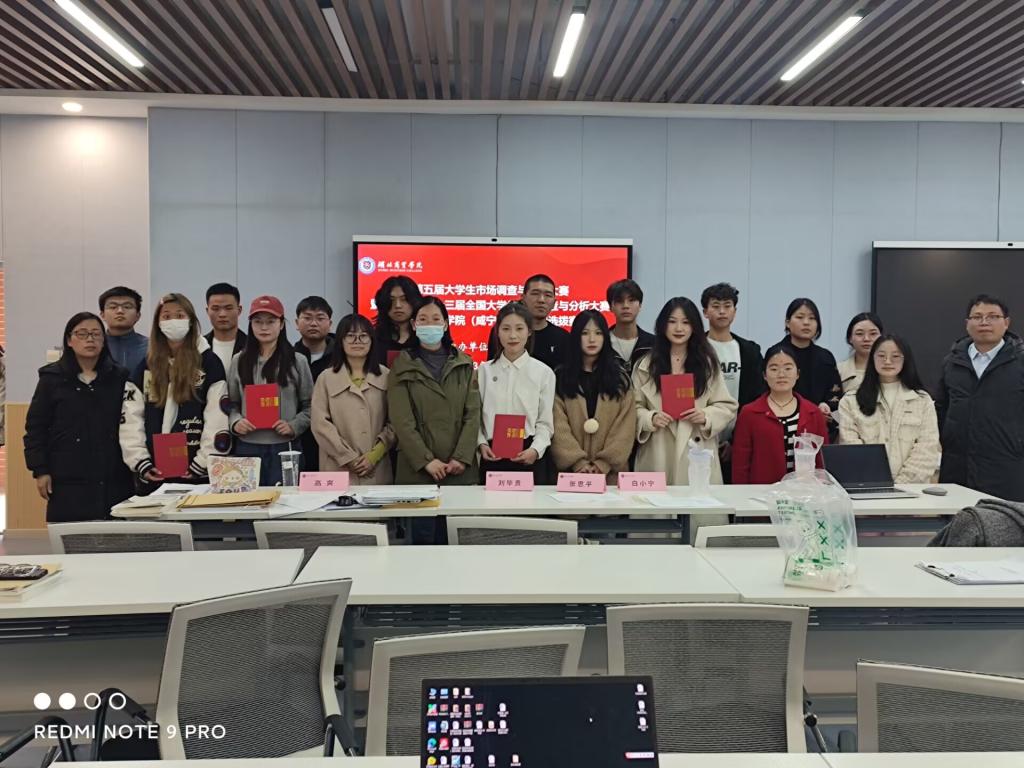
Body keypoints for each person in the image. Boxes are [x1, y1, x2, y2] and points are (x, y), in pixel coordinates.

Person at [24, 313, 134, 521]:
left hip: (113, 473)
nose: (90, 339)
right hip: (67, 474)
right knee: (71, 534)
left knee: (114, 535)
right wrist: (40, 470)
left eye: (96, 334)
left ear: (104, 340)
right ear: (69, 340)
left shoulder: (120, 377)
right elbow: (36, 428)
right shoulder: (51, 378)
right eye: (82, 334)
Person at [120, 293, 231, 486]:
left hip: (196, 473)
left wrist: (202, 462)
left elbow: (217, 417)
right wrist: (141, 461)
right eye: (166, 316)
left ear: (191, 320)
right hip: (154, 471)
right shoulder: (146, 366)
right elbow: (131, 418)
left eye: (180, 316)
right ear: (158, 323)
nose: (173, 321)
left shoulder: (209, 363)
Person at [632, 297, 738, 484]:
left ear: (694, 327)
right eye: (672, 322)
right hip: (658, 448)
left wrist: (705, 416)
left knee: (695, 497)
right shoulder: (645, 365)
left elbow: (726, 405)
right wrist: (650, 418)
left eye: (686, 322)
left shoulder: (707, 365)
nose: (679, 328)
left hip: (697, 449)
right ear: (663, 325)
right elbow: (632, 408)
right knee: (657, 500)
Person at [937, 294, 1024, 500]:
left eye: (993, 316)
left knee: (1003, 520)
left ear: (1006, 322)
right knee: (957, 519)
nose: (984, 322)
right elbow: (941, 408)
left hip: (1007, 468)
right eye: (977, 317)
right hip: (957, 469)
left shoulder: (1020, 362)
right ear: (967, 324)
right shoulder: (952, 362)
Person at [388, 296, 481, 487]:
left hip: (458, 468)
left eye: (436, 319)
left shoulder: (464, 363)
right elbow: (402, 421)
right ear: (414, 325)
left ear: (445, 324)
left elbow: (473, 414)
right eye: (423, 319)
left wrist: (461, 457)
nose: (429, 324)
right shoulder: (401, 365)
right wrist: (426, 460)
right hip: (416, 469)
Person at [227, 296, 314, 486]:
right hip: (247, 446)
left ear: (281, 324)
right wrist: (236, 422)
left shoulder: (297, 361)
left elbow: (311, 406)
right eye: (258, 322)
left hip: (285, 446)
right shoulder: (239, 360)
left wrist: (294, 425)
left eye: (271, 321)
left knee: (286, 500)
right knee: (249, 501)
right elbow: (231, 404)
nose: (264, 327)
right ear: (251, 325)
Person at [839, 334, 939, 483]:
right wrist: (877, 483)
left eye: (895, 356)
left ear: (906, 360)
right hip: (867, 486)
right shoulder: (851, 401)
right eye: (881, 356)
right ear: (872, 358)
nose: (887, 361)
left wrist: (900, 484)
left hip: (913, 489)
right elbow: (851, 448)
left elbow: (927, 449)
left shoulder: (922, 400)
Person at [551, 310, 636, 482]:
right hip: (571, 477)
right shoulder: (560, 377)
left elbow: (626, 426)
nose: (592, 339)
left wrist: (604, 463)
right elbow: (557, 424)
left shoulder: (620, 378)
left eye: (598, 333)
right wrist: (577, 462)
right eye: (585, 333)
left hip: (611, 476)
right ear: (576, 337)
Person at [311, 313, 395, 485]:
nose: (357, 341)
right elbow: (320, 425)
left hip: (377, 468)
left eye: (363, 336)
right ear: (341, 341)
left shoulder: (386, 375)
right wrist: (347, 457)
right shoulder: (326, 378)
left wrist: (374, 455)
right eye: (350, 336)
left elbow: (395, 422)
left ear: (372, 341)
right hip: (337, 468)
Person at [477, 302, 555, 483]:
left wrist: (535, 450)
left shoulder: (543, 373)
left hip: (528, 454)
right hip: (492, 454)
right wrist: (481, 443)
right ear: (497, 332)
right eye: (506, 329)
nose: (512, 335)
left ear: (529, 331)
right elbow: (475, 416)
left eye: (519, 328)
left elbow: (545, 422)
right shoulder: (484, 371)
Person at [731, 344, 828, 484]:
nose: (781, 375)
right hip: (762, 491)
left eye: (788, 368)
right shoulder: (749, 413)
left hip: (804, 490)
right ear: (764, 375)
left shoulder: (813, 413)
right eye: (774, 369)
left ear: (798, 374)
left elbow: (822, 461)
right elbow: (740, 463)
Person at [700, 283, 765, 481]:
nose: (722, 311)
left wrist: (736, 441)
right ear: (705, 312)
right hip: (700, 436)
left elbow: (756, 398)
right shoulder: (694, 349)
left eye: (727, 306)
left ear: (735, 311)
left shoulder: (749, 351)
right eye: (715, 306)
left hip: (738, 438)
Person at [779, 298, 842, 432]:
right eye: (800, 317)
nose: (806, 322)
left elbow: (835, 394)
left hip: (818, 428)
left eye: (812, 318)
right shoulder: (777, 355)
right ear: (787, 323)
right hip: (783, 425)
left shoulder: (825, 357)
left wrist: (825, 407)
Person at [294, 295, 335, 471]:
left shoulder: (341, 357)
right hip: (299, 436)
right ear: (297, 323)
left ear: (330, 323)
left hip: (334, 436)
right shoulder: (289, 357)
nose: (313, 323)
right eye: (307, 318)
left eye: (320, 318)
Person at [521, 274, 569, 370]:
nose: (541, 300)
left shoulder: (563, 338)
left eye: (548, 295)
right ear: (523, 298)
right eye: (535, 293)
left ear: (554, 303)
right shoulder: (507, 333)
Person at [373, 275, 423, 366]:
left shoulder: (425, 337)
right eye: (391, 300)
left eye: (404, 299)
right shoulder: (373, 338)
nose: (398, 305)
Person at [607, 279, 655, 369]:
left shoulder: (654, 344)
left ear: (640, 305)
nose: (626, 306)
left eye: (631, 300)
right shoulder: (602, 343)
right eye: (619, 301)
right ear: (610, 307)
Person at [99, 286, 148, 374]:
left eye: (127, 307)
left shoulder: (151, 347)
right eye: (113, 307)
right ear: (102, 315)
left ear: (138, 315)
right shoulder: (94, 345)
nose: (120, 311)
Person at [204, 282, 247, 373]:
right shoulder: (198, 347)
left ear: (239, 310)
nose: (222, 314)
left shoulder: (253, 346)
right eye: (216, 309)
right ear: (207, 311)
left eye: (228, 308)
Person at [838, 312, 884, 394]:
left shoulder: (891, 368)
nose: (866, 339)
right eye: (859, 334)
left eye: (873, 333)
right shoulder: (838, 371)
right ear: (850, 338)